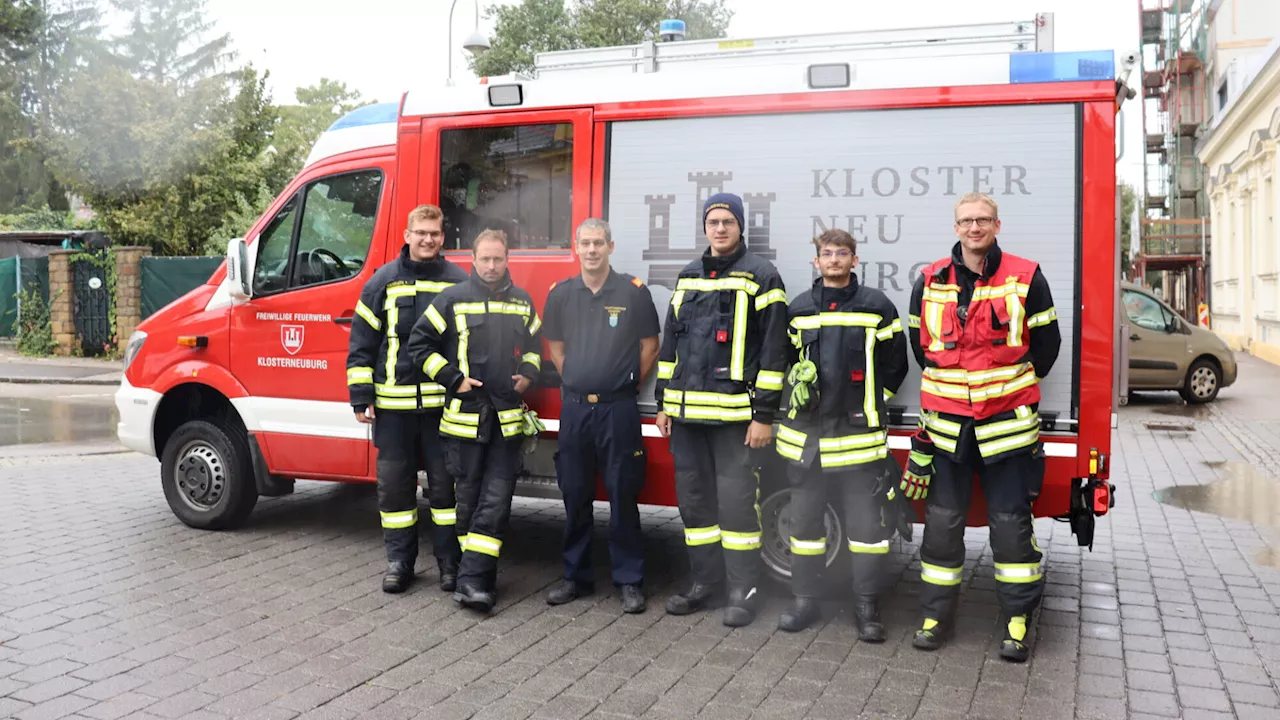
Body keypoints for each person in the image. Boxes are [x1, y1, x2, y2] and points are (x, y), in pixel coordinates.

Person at [907, 192, 1061, 662]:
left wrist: (1009, 389)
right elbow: (921, 347)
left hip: (1007, 431)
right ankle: (936, 617)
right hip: (949, 429)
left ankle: (1018, 622)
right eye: (966, 221)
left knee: (1011, 528)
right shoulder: (929, 279)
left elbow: (1047, 344)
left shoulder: (1026, 276)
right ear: (955, 228)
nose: (974, 228)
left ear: (997, 225)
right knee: (942, 525)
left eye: (982, 220)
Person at [654, 193, 788, 627]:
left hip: (735, 420)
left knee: (736, 508)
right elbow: (671, 341)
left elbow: (774, 350)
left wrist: (764, 415)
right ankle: (704, 584)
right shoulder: (689, 275)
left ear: (741, 226)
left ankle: (743, 590)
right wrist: (663, 402)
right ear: (705, 227)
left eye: (728, 221)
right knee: (694, 507)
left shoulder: (762, 275)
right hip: (687, 417)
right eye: (713, 221)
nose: (720, 228)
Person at [775, 228, 908, 637]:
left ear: (855, 259)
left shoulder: (878, 307)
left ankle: (867, 610)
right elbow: (785, 365)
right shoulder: (797, 309)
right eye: (827, 253)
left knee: (867, 533)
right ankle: (805, 605)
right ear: (816, 261)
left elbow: (895, 366)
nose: (834, 259)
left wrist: (869, 400)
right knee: (805, 529)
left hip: (859, 443)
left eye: (842, 253)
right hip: (808, 442)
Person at [407, 228, 543, 613]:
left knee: (496, 502)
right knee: (466, 504)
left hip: (506, 422)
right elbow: (419, 344)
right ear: (473, 259)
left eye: (498, 259)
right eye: (485, 258)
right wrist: (453, 379)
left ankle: (473, 580)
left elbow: (535, 346)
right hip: (464, 423)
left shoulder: (522, 301)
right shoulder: (451, 298)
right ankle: (471, 578)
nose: (491, 265)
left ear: (507, 260)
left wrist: (529, 375)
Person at [346, 204, 469, 594]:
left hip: (442, 411)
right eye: (421, 232)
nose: (428, 239)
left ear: (442, 238)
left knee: (445, 492)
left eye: (434, 233)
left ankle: (450, 564)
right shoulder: (383, 281)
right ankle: (400, 564)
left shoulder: (458, 281)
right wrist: (360, 395)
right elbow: (362, 343)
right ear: (407, 235)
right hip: (393, 410)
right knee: (395, 491)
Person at [541, 218, 660, 614]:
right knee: (575, 494)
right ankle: (575, 577)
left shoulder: (633, 292)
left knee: (624, 495)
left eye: (598, 243)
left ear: (611, 246)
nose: (592, 250)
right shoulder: (560, 295)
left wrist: (622, 382)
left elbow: (650, 346)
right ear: (575, 248)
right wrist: (577, 378)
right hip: (575, 409)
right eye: (585, 244)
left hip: (618, 409)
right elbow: (555, 347)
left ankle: (629, 580)